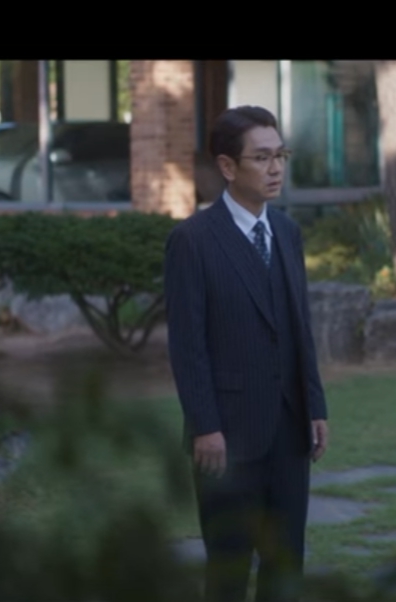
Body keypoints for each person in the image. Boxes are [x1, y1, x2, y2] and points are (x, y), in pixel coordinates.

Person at [163, 105, 329, 602]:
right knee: (229, 567)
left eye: (281, 155)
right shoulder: (192, 240)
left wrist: (316, 406)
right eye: (262, 158)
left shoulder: (287, 232)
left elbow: (299, 328)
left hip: (289, 429)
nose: (276, 168)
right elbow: (187, 345)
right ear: (228, 166)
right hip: (226, 435)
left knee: (286, 562)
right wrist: (205, 426)